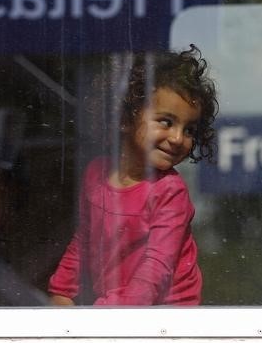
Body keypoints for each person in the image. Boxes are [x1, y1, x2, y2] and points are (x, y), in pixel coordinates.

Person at [47, 45, 218, 306]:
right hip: (120, 310)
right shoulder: (96, 174)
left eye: (190, 130)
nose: (177, 138)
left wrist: (110, 312)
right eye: (166, 121)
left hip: (167, 318)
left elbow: (156, 267)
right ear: (124, 117)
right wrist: (61, 291)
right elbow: (83, 240)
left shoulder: (170, 191)